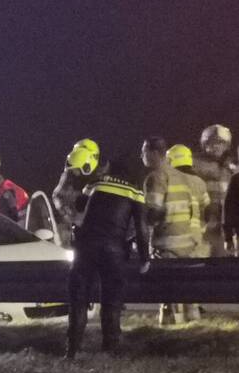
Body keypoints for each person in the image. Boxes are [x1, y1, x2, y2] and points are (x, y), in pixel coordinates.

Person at [65, 158, 150, 358]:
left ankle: (72, 350)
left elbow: (79, 207)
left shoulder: (94, 185)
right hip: (114, 249)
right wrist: (144, 257)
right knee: (111, 299)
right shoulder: (135, 192)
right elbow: (141, 228)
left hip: (85, 247)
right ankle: (110, 349)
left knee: (78, 298)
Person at [143, 139, 207, 324]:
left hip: (167, 245)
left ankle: (170, 328)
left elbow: (153, 212)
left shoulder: (157, 177)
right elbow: (206, 211)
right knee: (190, 293)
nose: (142, 156)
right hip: (192, 245)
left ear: (154, 153)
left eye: (143, 151)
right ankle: (192, 329)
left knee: (169, 292)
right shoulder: (193, 181)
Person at [192, 124, 235, 256]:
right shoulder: (194, 164)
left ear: (227, 145)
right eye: (211, 142)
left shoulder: (232, 167)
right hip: (202, 222)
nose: (215, 146)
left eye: (220, 142)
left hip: (225, 223)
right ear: (204, 144)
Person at [54, 146, 99, 242]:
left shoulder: (99, 181)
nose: (74, 172)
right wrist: (66, 215)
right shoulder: (68, 177)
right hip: (73, 226)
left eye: (77, 169)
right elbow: (57, 196)